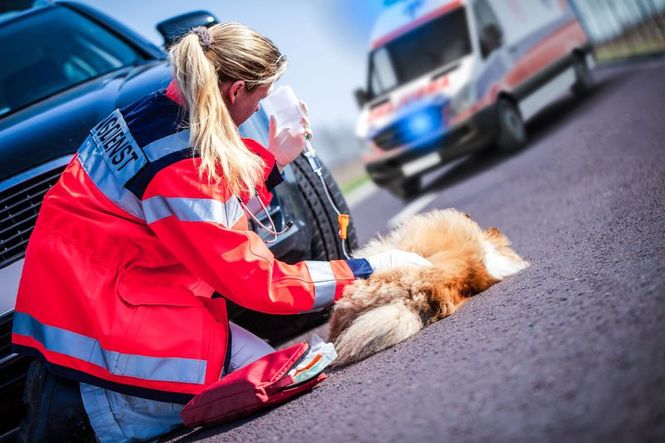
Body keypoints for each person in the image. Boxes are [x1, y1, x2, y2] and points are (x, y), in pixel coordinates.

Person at [12, 23, 431, 442]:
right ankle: (105, 416)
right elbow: (255, 279)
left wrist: (272, 165)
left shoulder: (148, 115)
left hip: (86, 301)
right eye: (259, 98)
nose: (257, 107)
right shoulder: (182, 162)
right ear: (236, 91)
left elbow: (195, 218)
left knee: (275, 366)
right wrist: (365, 269)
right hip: (108, 330)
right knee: (285, 375)